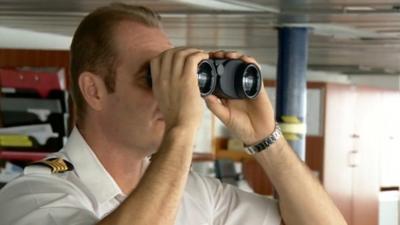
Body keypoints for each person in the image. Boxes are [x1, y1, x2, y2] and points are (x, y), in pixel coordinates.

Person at [0, 3, 347, 225]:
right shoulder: (34, 197)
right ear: (94, 90)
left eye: (174, 78)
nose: (172, 94)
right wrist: (182, 127)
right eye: (153, 78)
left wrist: (265, 138)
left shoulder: (196, 194)